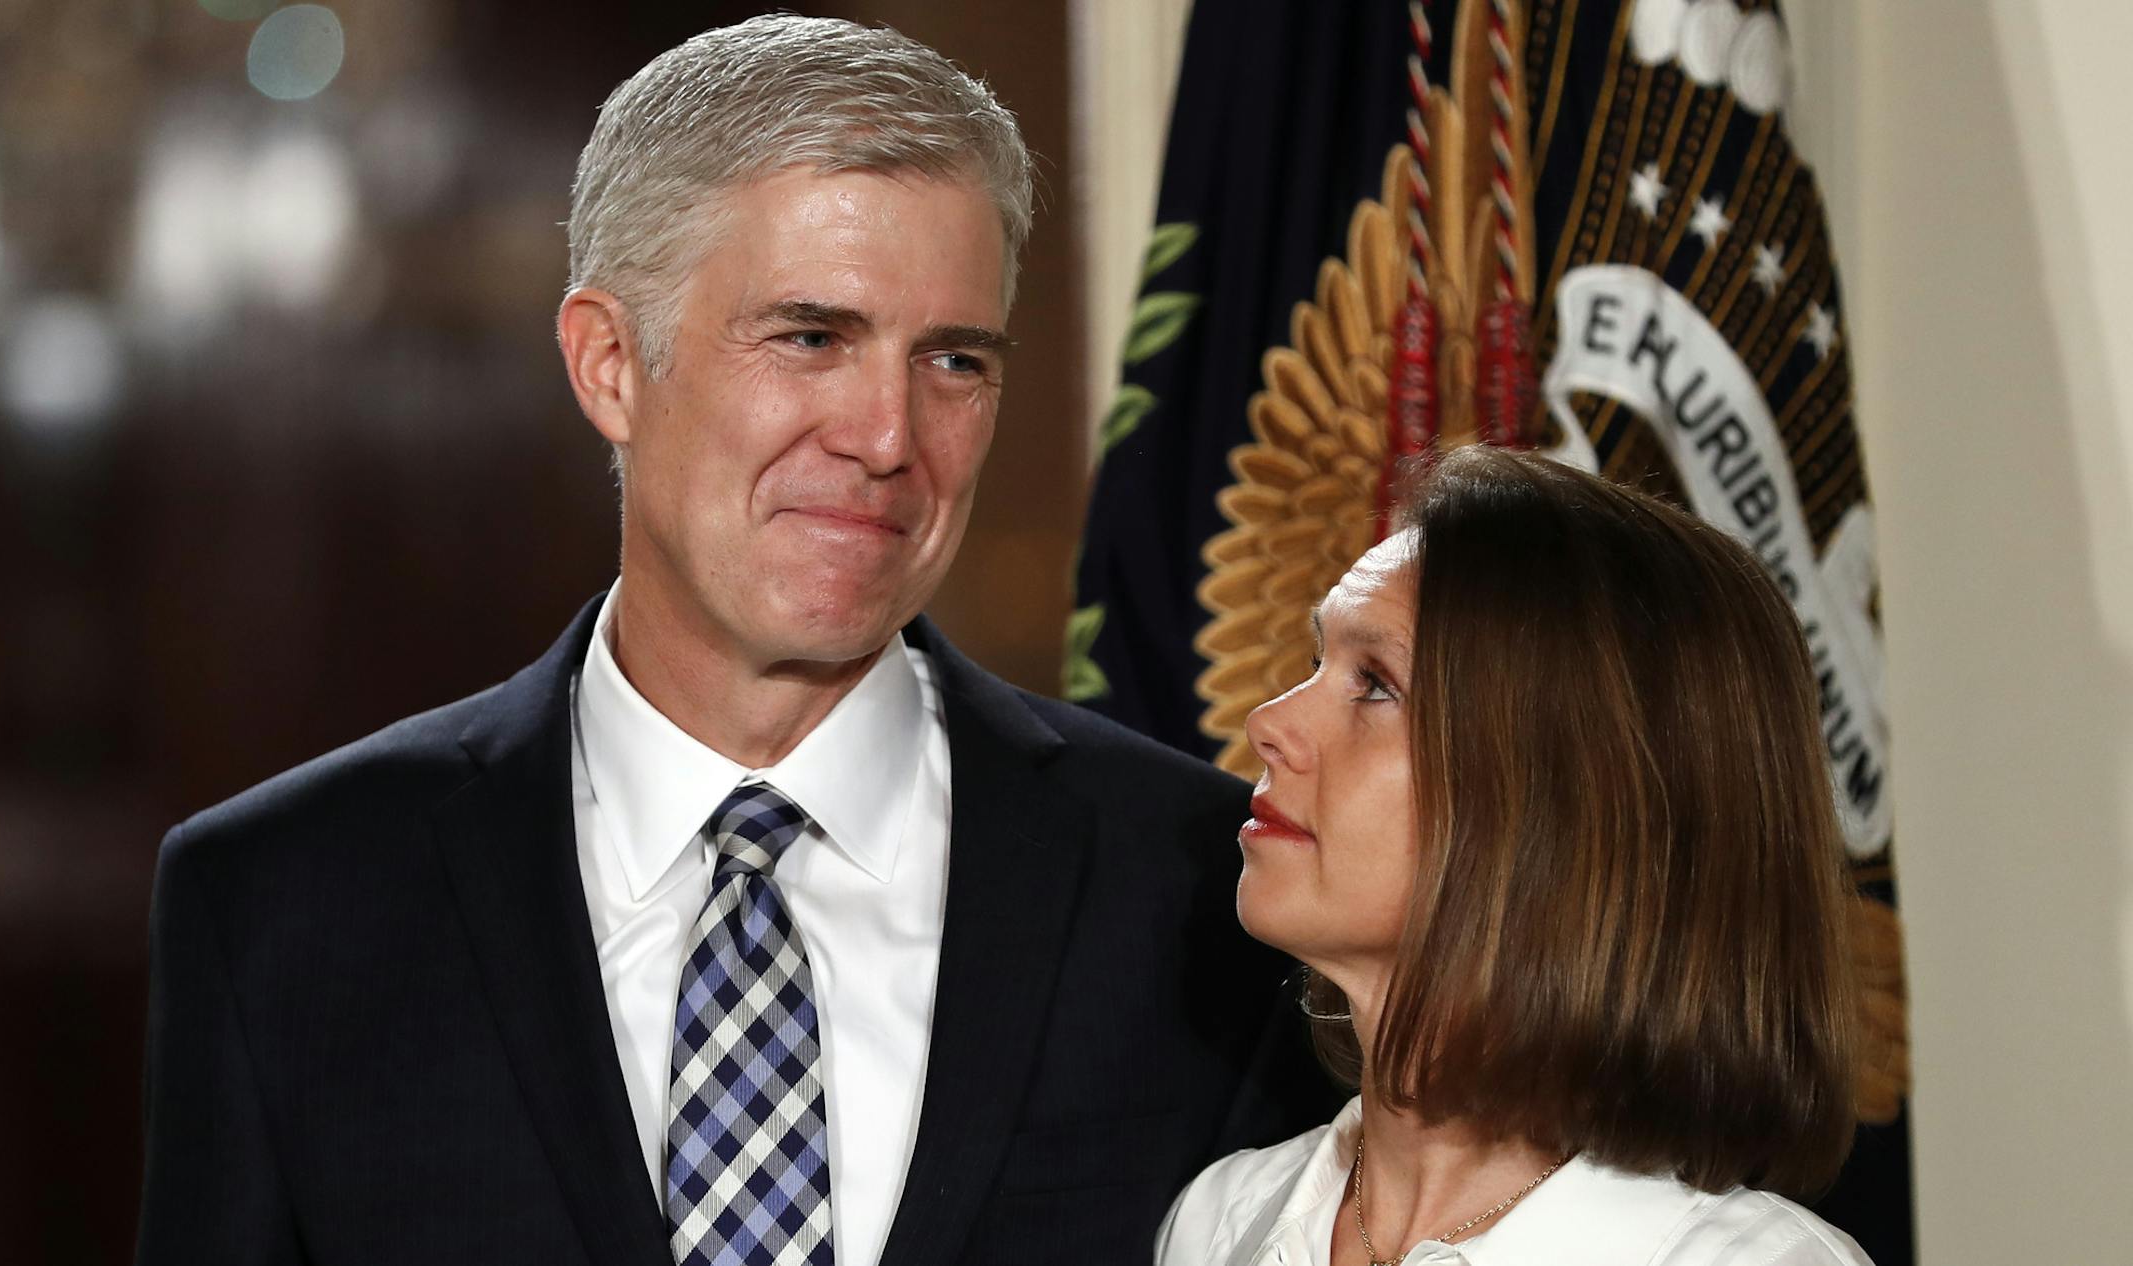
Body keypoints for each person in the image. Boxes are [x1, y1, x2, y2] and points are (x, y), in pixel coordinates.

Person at [136, 16, 1327, 1266]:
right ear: (609, 364)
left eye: (954, 360)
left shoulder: (1210, 894)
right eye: (811, 337)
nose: (886, 435)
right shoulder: (286, 907)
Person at [1157, 446, 1871, 1266]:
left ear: (1568, 809)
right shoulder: (1219, 1222)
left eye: (1376, 683)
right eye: (1317, 662)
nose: (1268, 723)